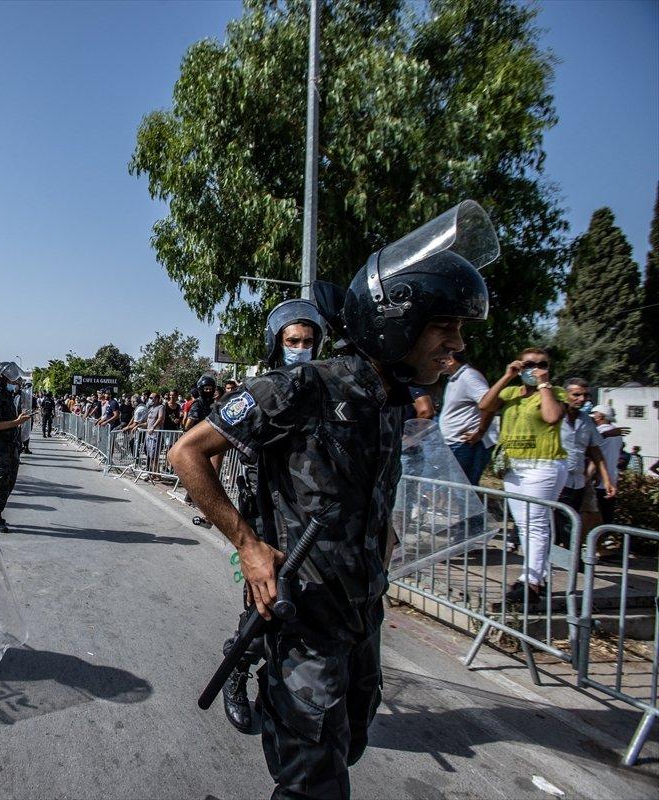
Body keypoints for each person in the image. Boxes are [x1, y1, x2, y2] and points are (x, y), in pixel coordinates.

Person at [170, 200, 496, 798]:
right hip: (304, 614)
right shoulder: (302, 386)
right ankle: (261, 686)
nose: (456, 345)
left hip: (363, 613)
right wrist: (248, 546)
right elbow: (187, 453)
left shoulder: (393, 402)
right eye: (444, 327)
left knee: (351, 741)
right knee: (313, 782)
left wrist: (385, 530)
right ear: (400, 322)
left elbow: (373, 486)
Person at [218, 298, 326, 733]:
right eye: (292, 341)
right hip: (268, 526)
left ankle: (280, 689)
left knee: (310, 621)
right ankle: (237, 668)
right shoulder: (265, 393)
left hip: (315, 529)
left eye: (308, 341)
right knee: (264, 613)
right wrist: (246, 539)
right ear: (276, 344)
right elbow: (199, 451)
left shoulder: (325, 390)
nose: (301, 348)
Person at [478, 346, 566, 610]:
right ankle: (539, 575)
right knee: (525, 525)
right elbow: (485, 405)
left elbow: (551, 416)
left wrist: (543, 384)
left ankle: (531, 582)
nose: (534, 369)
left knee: (534, 524)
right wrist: (507, 376)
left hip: (543, 465)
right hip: (513, 466)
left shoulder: (556, 392)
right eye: (528, 364)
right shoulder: (511, 393)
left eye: (542, 364)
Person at [554, 378, 614, 551]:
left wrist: (606, 480)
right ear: (564, 395)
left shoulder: (586, 421)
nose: (582, 399)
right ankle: (571, 560)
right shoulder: (555, 417)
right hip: (557, 478)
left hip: (578, 481)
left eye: (585, 395)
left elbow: (595, 450)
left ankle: (567, 557)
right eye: (576, 395)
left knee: (571, 521)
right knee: (562, 523)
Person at [0, 362, 30, 532]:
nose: (14, 382)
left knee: (9, 482)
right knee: (1, 483)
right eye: (10, 379)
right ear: (1, 379)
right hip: (0, 447)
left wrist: (20, 421)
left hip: (11, 445)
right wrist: (17, 422)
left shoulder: (8, 396)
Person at [438, 352, 495, 484]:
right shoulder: (455, 378)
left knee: (464, 490)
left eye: (440, 360)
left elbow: (490, 403)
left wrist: (480, 432)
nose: (437, 364)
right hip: (457, 443)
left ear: (451, 360)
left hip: (468, 445)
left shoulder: (469, 377)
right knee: (457, 489)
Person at [590, 405, 623, 525]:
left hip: (597, 480)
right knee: (606, 518)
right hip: (612, 480)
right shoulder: (617, 433)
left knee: (592, 516)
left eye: (594, 414)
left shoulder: (598, 432)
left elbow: (593, 456)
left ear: (600, 416)